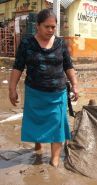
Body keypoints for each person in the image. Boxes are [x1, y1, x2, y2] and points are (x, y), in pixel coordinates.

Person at [8, 9, 78, 167]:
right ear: (37, 26)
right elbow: (18, 67)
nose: (51, 30)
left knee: (57, 124)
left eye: (53, 27)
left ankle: (54, 160)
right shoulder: (27, 44)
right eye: (47, 26)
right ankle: (38, 146)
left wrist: (74, 85)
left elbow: (68, 66)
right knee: (36, 123)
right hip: (34, 93)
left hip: (57, 93)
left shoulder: (61, 43)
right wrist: (12, 89)